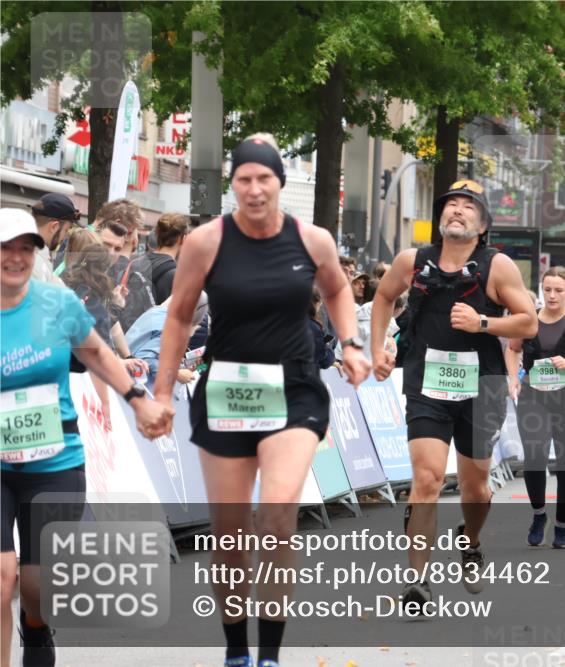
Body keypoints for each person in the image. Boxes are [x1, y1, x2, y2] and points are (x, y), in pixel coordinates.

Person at [151, 134, 369, 667]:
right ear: (233, 186)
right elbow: (179, 316)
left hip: (295, 388)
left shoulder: (311, 240)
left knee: (275, 518)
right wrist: (160, 393)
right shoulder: (206, 241)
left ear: (279, 183)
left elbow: (339, 290)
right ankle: (235, 650)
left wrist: (353, 343)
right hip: (226, 386)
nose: (253, 189)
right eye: (243, 179)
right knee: (229, 535)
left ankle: (269, 654)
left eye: (263, 179)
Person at [1, 209, 172, 667]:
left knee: (36, 588)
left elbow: (97, 352)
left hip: (54, 462)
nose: (15, 257)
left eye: (25, 248)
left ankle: (35, 631)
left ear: (36, 254)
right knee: (1, 578)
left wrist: (137, 400)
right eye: (5, 248)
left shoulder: (57, 305)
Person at [370, 179, 537, 611]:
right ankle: (417, 580)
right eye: (451, 206)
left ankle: (471, 538)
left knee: (475, 487)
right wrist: (378, 350)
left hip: (482, 387)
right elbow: (383, 299)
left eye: (468, 207)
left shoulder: (497, 267)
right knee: (426, 479)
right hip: (427, 384)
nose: (457, 211)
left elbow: (528, 323)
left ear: (482, 225)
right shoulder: (412, 261)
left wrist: (483, 324)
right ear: (440, 218)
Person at [505, 267, 565, 548]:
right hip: (535, 397)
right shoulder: (530, 319)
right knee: (534, 458)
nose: (552, 295)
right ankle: (538, 515)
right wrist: (513, 378)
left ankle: (562, 526)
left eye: (559, 290)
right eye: (548, 289)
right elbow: (512, 350)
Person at [125, 293, 211, 384]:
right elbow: (144, 358)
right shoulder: (171, 329)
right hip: (133, 383)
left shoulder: (159, 311)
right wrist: (176, 374)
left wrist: (182, 368)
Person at [28, 193, 84, 285]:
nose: (64, 237)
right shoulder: (35, 262)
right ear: (54, 227)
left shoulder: (19, 249)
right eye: (66, 230)